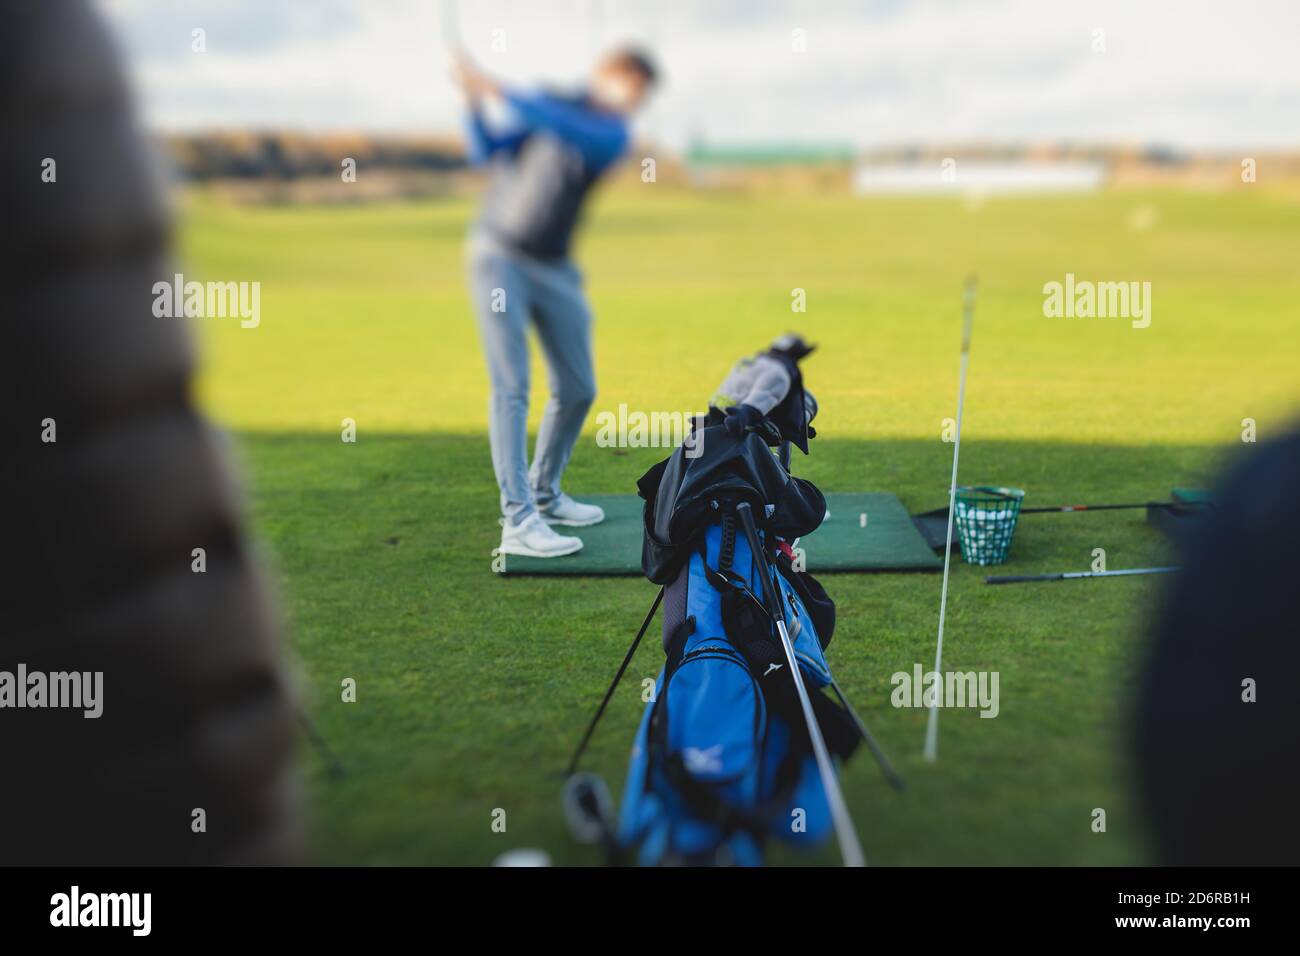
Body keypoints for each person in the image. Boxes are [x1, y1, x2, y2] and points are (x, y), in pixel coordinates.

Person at [450, 45, 659, 558]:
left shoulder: (608, 134)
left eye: (638, 93)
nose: (631, 98)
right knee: (512, 385)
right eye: (625, 84)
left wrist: (496, 86)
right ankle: (519, 522)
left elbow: (567, 127)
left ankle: (544, 492)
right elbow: (488, 150)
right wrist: (473, 100)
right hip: (498, 256)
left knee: (579, 387)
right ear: (602, 75)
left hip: (556, 268)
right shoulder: (550, 110)